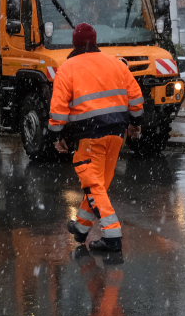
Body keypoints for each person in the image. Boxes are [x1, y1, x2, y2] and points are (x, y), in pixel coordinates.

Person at [48, 22, 144, 253]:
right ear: (96, 41)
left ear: (75, 43)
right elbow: (136, 97)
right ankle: (81, 228)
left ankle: (112, 236)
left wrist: (56, 134)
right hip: (117, 134)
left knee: (93, 187)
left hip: (89, 136)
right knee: (98, 186)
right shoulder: (117, 63)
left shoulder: (68, 68)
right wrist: (135, 124)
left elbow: (59, 108)